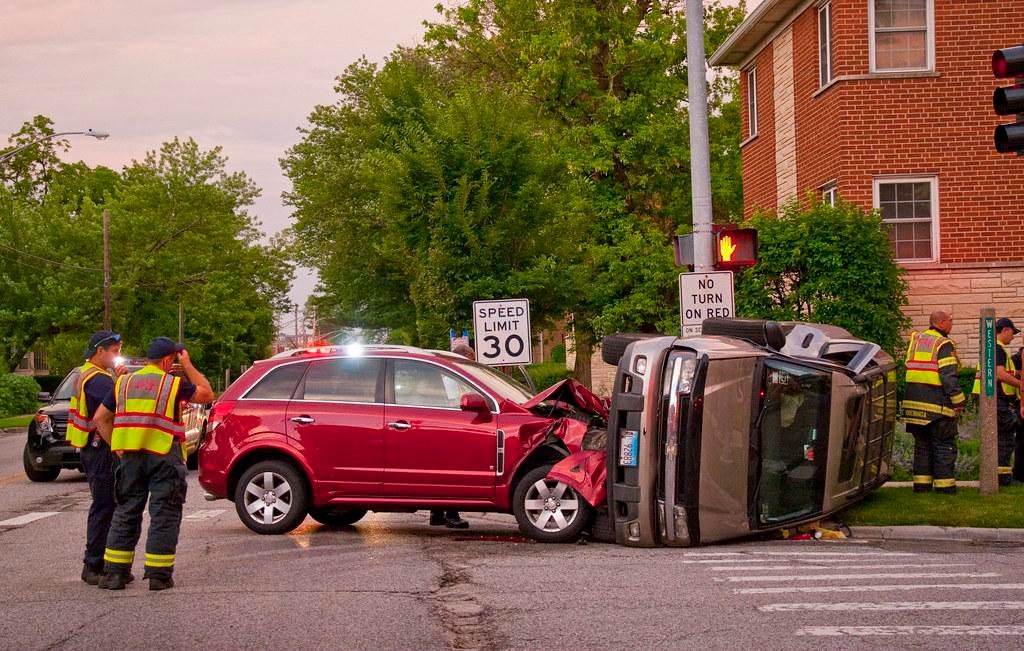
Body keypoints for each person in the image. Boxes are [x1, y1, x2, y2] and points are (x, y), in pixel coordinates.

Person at [92, 337, 214, 590]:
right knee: (164, 514)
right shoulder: (172, 384)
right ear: (169, 359)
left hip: (131, 457)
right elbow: (207, 393)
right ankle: (159, 575)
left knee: (126, 512)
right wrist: (188, 364)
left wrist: (118, 446)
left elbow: (101, 418)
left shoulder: (123, 383)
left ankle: (115, 573)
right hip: (163, 456)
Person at [66, 331, 128, 585]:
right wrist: (118, 447)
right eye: (114, 350)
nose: (117, 355)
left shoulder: (95, 375)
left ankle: (106, 562)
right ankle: (93, 565)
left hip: (95, 447)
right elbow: (103, 416)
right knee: (104, 506)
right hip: (100, 448)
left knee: (110, 505)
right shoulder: (96, 379)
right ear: (99, 351)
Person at [902, 311, 966, 494]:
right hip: (937, 407)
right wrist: (959, 401)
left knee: (922, 448)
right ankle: (946, 489)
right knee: (944, 446)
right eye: (950, 321)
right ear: (942, 323)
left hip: (914, 406)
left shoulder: (917, 340)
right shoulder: (943, 344)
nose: (952, 325)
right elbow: (948, 377)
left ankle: (921, 488)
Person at [429, 341, 475, 530]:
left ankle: (437, 513)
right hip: (451, 428)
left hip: (438, 428)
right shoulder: (453, 378)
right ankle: (451, 513)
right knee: (453, 472)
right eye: (470, 361)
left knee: (440, 471)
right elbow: (455, 404)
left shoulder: (443, 375)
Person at [972, 318, 1021, 485]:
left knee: (1001, 436)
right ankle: (1004, 477)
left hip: (993, 398)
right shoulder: (997, 348)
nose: (1013, 337)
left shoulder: (992, 348)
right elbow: (999, 374)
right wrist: (1021, 385)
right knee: (1005, 437)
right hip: (997, 399)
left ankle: (1000, 477)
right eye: (1012, 333)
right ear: (1005, 330)